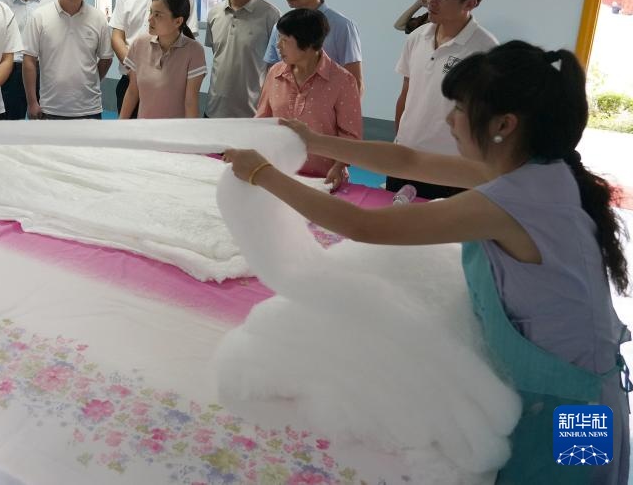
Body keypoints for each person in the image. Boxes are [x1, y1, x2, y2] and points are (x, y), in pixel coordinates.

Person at [223, 41, 630, 484]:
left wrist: (263, 175)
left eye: (461, 109)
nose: (449, 119)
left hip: (576, 402)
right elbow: (410, 160)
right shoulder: (536, 171)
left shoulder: (513, 200)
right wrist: (315, 141)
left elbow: (364, 225)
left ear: (504, 125)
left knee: (566, 477)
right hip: (572, 383)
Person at [391, 0, 498, 199]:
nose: (430, 1)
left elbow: (486, 117)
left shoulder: (485, 50)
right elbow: (406, 93)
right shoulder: (417, 37)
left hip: (451, 168)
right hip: (405, 157)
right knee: (392, 218)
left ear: (470, 3)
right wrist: (399, 141)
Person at [256, 8, 361, 190]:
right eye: (278, 38)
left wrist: (339, 167)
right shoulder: (275, 73)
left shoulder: (342, 81)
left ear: (309, 43)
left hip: (324, 180)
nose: (278, 45)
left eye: (284, 40)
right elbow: (262, 119)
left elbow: (350, 135)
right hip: (279, 174)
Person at [111, 0, 198, 115]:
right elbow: (117, 36)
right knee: (127, 131)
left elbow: (186, 39)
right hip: (129, 81)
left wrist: (152, 72)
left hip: (168, 84)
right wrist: (134, 68)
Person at [23, 0, 113, 119]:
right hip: (50, 108)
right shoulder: (40, 16)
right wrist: (32, 102)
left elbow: (106, 59)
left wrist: (91, 80)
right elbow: (29, 60)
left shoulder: (98, 18)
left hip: (89, 109)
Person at [262, 0, 363, 90]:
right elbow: (271, 77)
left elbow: (354, 83)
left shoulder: (342, 27)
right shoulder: (280, 27)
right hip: (286, 102)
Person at [204, 0, 281, 118]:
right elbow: (218, 54)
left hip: (251, 115)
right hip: (213, 111)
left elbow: (276, 68)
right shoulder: (215, 13)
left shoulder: (271, 16)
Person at [119, 0, 206, 119]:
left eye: (157, 15)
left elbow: (191, 101)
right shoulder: (139, 44)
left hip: (175, 129)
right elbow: (132, 91)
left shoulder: (194, 51)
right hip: (144, 127)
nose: (149, 19)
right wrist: (120, 123)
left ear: (178, 21)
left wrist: (190, 130)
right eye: (151, 12)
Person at [0, 0, 56, 119]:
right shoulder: (2, 5)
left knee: (43, 122)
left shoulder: (52, 2)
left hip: (43, 69)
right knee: (11, 122)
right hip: (13, 70)